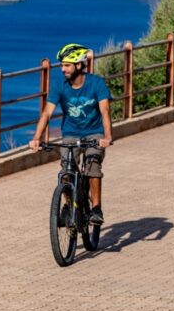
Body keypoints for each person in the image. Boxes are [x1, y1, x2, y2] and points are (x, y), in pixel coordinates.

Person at [29, 43, 113, 225]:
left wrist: (107, 137)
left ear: (79, 65)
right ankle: (70, 205)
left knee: (93, 165)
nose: (62, 69)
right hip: (71, 133)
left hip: (94, 132)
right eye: (62, 65)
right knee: (66, 171)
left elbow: (105, 111)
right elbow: (47, 113)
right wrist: (36, 138)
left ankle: (96, 209)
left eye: (67, 65)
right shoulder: (59, 85)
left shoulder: (96, 83)